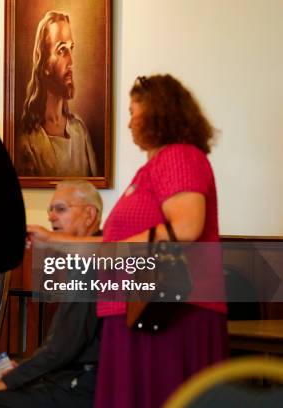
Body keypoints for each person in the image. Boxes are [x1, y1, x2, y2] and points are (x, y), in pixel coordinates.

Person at [94, 75, 228, 408]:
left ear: (158, 112)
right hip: (139, 312)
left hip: (167, 315)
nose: (128, 123)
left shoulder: (178, 157)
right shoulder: (151, 169)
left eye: (133, 112)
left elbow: (186, 226)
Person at [0, 180, 102, 408]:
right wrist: (23, 367)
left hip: (78, 388)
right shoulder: (85, 260)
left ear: (89, 215)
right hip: (65, 379)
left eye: (60, 209)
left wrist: (10, 380)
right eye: (50, 210)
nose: (50, 217)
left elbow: (63, 348)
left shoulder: (93, 263)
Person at [15, 11, 98, 177]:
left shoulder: (79, 131)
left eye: (71, 49)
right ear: (44, 63)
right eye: (61, 51)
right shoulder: (28, 141)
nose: (71, 63)